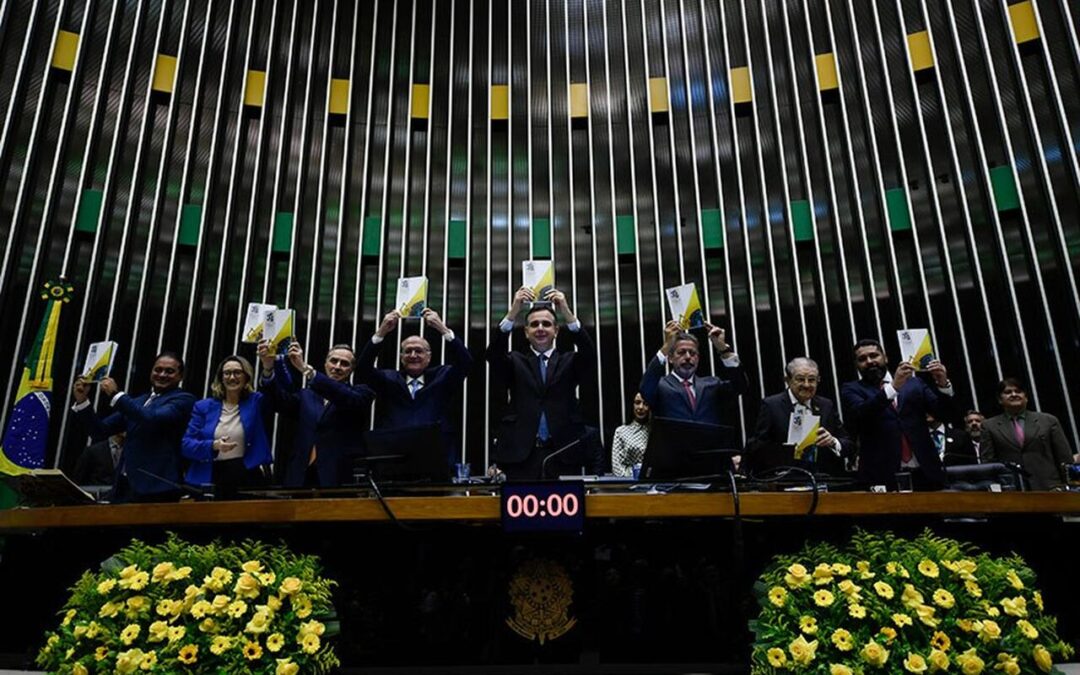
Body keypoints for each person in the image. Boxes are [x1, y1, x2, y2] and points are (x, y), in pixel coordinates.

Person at [486, 286, 595, 479]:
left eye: (547, 324)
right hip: (521, 456)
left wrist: (566, 311)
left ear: (556, 331)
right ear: (526, 332)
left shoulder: (569, 361)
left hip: (562, 454)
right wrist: (514, 311)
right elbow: (493, 355)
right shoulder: (515, 361)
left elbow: (589, 353)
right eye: (534, 324)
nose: (540, 329)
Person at [71, 352, 196, 502]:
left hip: (158, 488)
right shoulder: (139, 401)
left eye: (169, 371)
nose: (162, 375)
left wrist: (116, 394)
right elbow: (99, 432)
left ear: (180, 376)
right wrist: (82, 401)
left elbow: (151, 418)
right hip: (125, 486)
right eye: (158, 370)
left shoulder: (184, 400)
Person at [356, 308, 473, 469]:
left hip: (435, 456)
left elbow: (465, 362)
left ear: (429, 357)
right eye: (408, 351)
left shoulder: (442, 377)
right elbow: (363, 368)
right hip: (394, 458)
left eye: (419, 351)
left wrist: (442, 328)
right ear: (401, 357)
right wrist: (381, 332)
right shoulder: (388, 379)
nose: (413, 355)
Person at [840, 338, 955, 490]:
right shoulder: (851, 389)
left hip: (926, 471)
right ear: (856, 365)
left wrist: (943, 384)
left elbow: (945, 415)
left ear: (885, 357)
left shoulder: (915, 383)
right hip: (881, 475)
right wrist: (893, 387)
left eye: (874, 356)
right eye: (862, 359)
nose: (869, 361)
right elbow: (862, 414)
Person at [258, 340, 374, 488]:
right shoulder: (307, 395)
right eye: (333, 361)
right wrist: (268, 369)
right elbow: (277, 402)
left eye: (344, 364)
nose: (337, 367)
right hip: (301, 475)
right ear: (325, 364)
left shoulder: (362, 393)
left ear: (352, 369)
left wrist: (306, 369)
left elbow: (344, 397)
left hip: (337, 475)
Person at [743, 357, 852, 476]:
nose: (806, 385)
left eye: (812, 380)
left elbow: (848, 444)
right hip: (783, 478)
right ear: (787, 380)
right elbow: (756, 447)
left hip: (822, 478)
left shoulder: (826, 405)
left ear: (818, 380)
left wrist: (832, 442)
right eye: (800, 379)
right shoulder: (771, 405)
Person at [181, 356, 272, 497]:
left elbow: (273, 392)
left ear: (246, 377)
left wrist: (268, 369)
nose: (232, 377)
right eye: (227, 373)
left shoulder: (256, 402)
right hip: (211, 475)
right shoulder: (203, 407)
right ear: (221, 378)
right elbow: (186, 445)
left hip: (246, 474)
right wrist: (213, 446)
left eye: (237, 372)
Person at [638, 320, 748, 425]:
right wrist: (666, 346)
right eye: (681, 352)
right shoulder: (660, 385)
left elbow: (740, 386)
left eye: (692, 353)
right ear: (670, 358)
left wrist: (723, 349)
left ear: (698, 358)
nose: (687, 357)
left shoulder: (712, 384)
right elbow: (645, 389)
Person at [981, 378, 1076, 491]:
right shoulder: (989, 426)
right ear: (1000, 400)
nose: (1014, 394)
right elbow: (988, 463)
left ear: (1026, 398)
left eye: (1018, 391)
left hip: (1050, 488)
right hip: (1012, 490)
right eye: (1008, 392)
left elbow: (1064, 458)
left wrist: (1069, 486)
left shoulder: (1048, 421)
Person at [611, 393, 651, 477]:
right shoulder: (621, 431)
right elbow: (616, 467)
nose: (641, 407)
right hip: (628, 482)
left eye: (645, 404)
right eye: (637, 403)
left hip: (655, 481)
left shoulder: (656, 431)